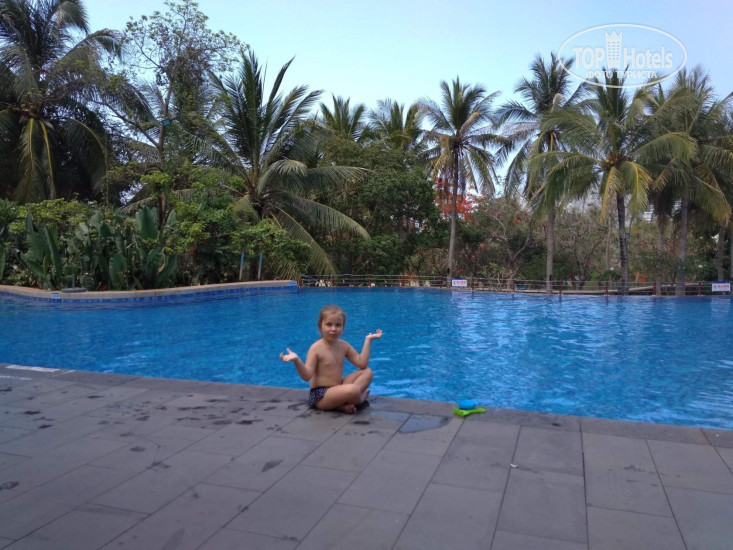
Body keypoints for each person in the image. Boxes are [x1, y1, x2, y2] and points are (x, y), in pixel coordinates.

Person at [279, 305, 382, 414]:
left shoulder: (344, 345)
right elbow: (306, 376)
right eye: (329, 324)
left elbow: (362, 363)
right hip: (320, 395)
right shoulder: (316, 348)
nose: (333, 329)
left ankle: (342, 405)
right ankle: (358, 400)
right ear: (320, 326)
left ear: (343, 328)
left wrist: (368, 341)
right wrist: (297, 360)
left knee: (367, 372)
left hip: (338, 387)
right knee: (354, 390)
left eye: (338, 325)